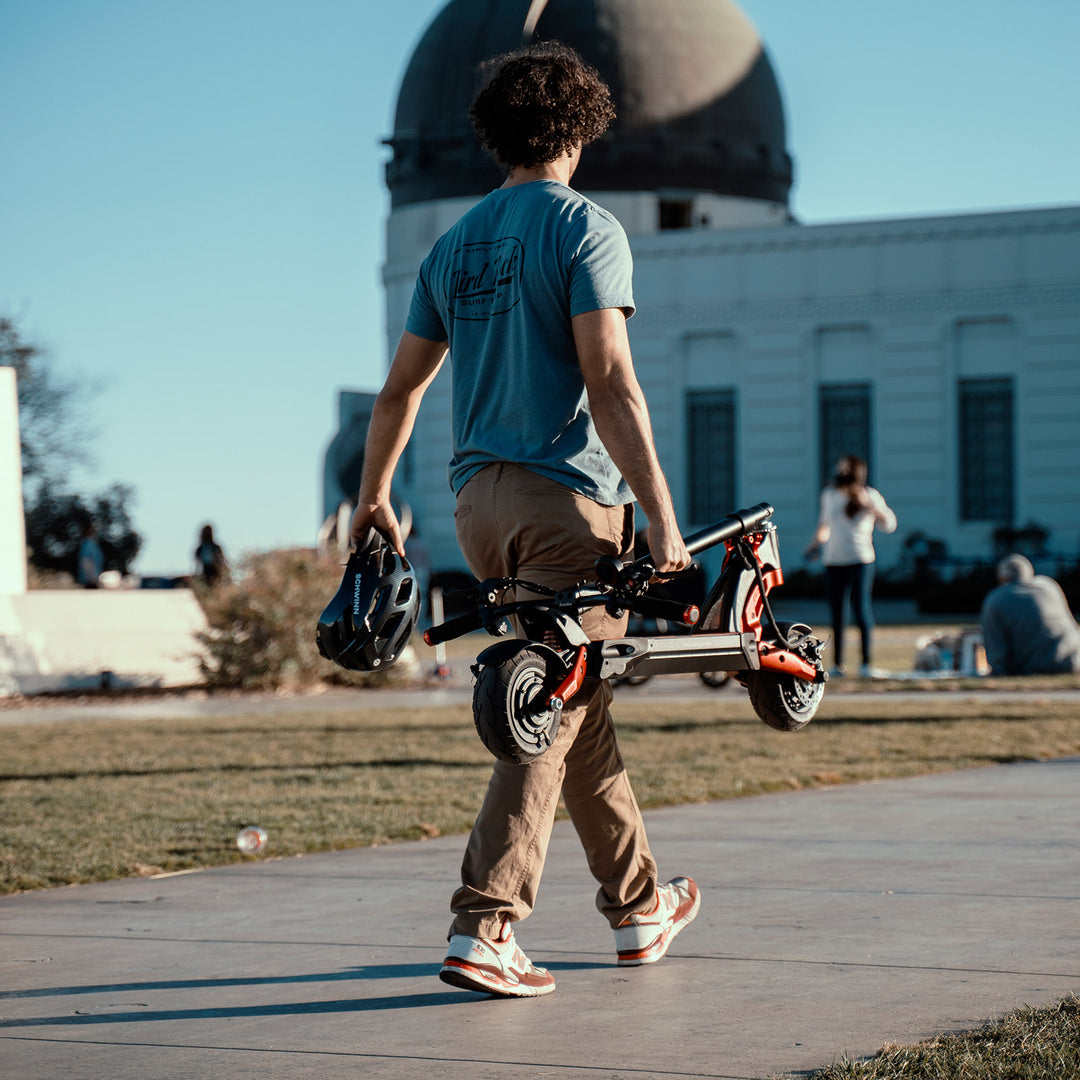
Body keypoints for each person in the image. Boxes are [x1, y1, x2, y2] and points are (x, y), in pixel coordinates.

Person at [348, 42, 699, 998]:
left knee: (574, 704)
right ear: (580, 133)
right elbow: (612, 377)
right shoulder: (588, 228)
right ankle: (487, 925)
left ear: (493, 138)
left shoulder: (452, 246)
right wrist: (662, 517)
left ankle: (638, 910)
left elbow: (397, 395)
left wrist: (376, 498)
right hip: (566, 507)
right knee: (552, 702)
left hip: (477, 509)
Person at [805, 455, 896, 677]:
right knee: (837, 613)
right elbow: (824, 526)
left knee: (861, 609)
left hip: (861, 559)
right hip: (834, 560)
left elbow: (890, 524)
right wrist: (814, 546)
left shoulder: (869, 495)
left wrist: (870, 507)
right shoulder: (830, 495)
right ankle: (838, 665)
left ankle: (866, 663)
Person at [981, 554, 1080, 676]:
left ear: (1003, 578)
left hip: (1036, 668)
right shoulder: (1050, 586)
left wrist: (999, 674)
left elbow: (996, 647)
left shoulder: (996, 599)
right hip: (1073, 661)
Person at [76, 522, 104, 588]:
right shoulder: (88, 543)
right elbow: (86, 561)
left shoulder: (94, 545)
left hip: (94, 581)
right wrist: (93, 579)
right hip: (89, 582)